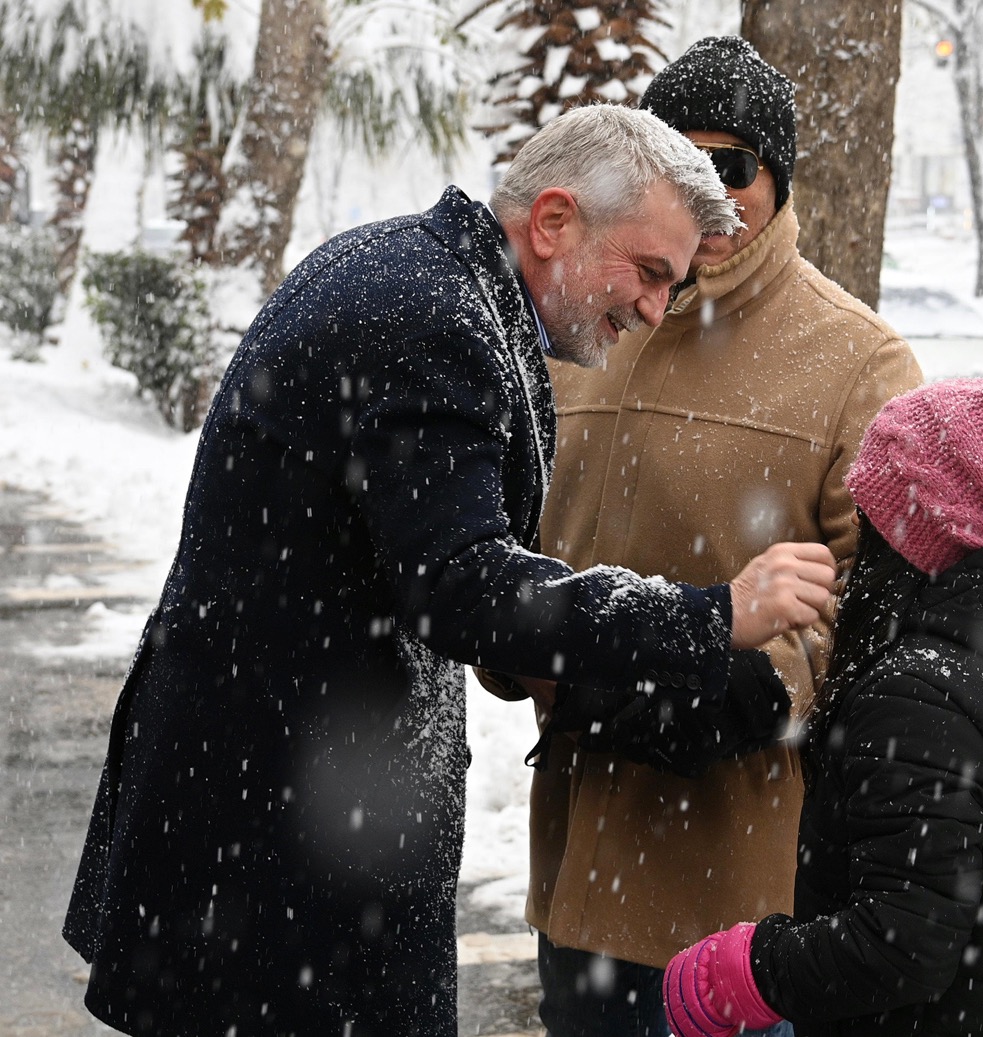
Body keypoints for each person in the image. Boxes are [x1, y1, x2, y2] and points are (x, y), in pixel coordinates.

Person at [60, 103, 841, 1037]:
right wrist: (712, 614)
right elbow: (464, 587)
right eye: (647, 272)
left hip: (284, 826)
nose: (652, 308)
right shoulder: (430, 316)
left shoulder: (426, 279)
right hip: (274, 855)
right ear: (554, 221)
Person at [495, 35, 923, 1037]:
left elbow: (887, 592)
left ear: (780, 178)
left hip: (743, 895)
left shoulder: (858, 358)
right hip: (576, 873)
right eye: (680, 164)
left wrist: (756, 685)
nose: (711, 194)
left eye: (731, 166)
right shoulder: (582, 329)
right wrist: (523, 655)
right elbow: (510, 539)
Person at [662, 378, 983, 1037]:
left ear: (915, 535)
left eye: (869, 510)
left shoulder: (920, 695)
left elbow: (900, 942)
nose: (858, 527)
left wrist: (748, 970)